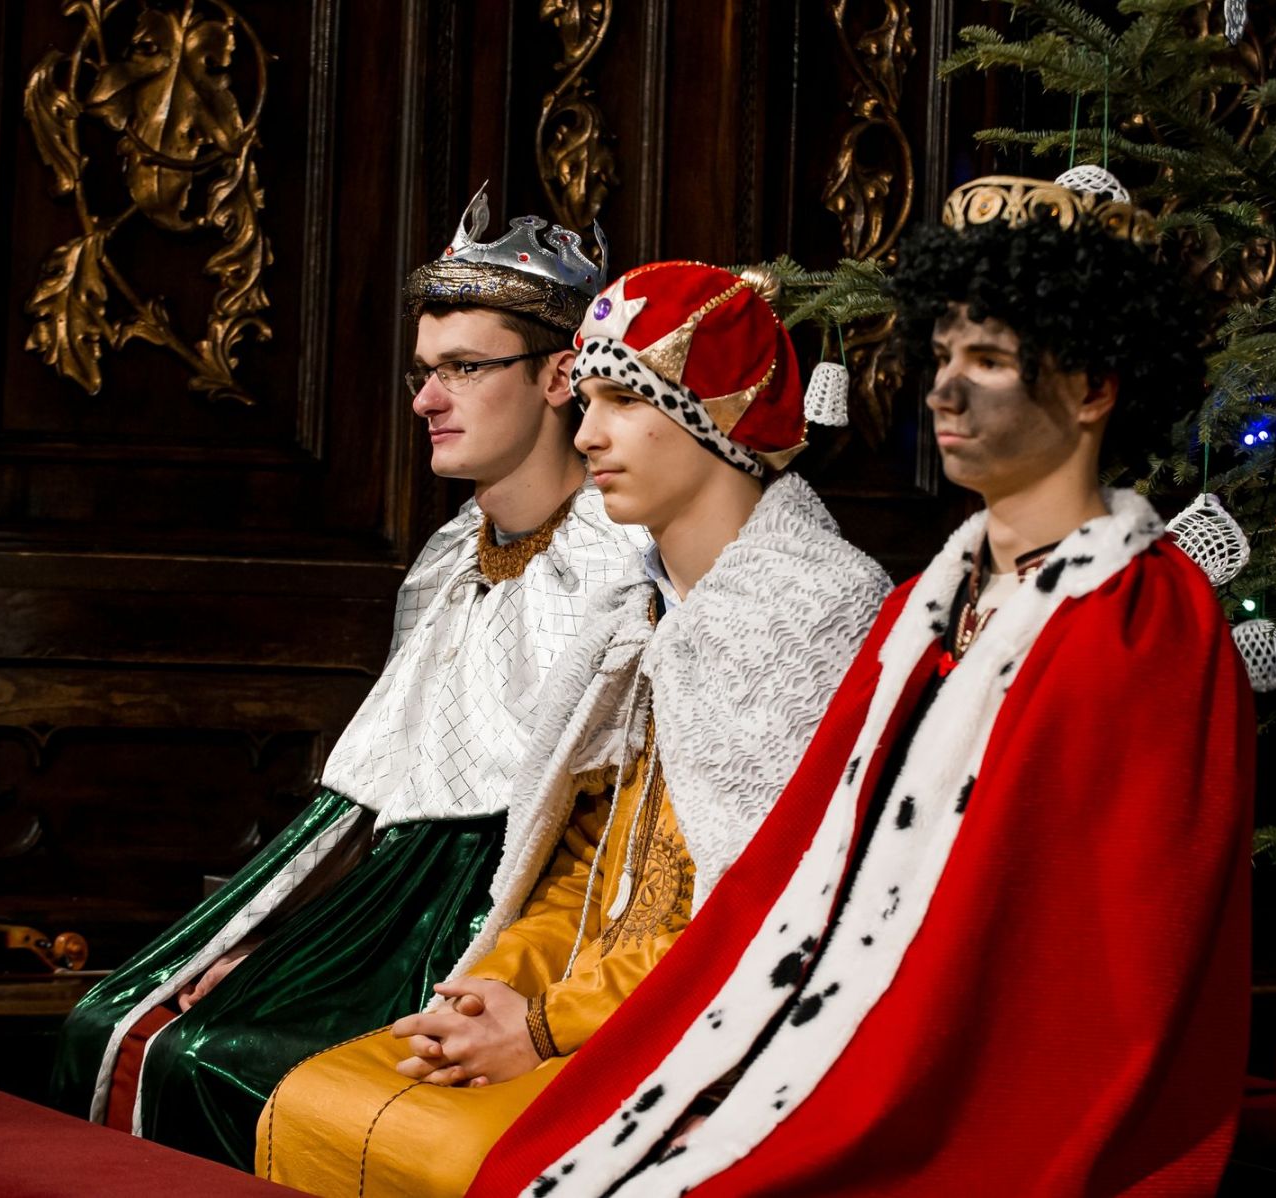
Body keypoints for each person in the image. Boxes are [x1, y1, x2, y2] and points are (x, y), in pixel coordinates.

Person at [468, 174, 1257, 1197]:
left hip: (1000, 1061)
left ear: (1092, 388)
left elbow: (1117, 942)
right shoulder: (925, 606)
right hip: (854, 1006)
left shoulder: (1147, 619)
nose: (946, 394)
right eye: (943, 357)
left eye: (989, 362)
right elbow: (797, 862)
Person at [253, 260, 893, 1195]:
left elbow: (772, 910)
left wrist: (547, 1025)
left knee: (452, 1152)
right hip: (584, 1000)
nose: (588, 434)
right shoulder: (632, 616)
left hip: (717, 1038)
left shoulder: (808, 611)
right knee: (318, 1101)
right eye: (587, 400)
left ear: (716, 412)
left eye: (624, 402)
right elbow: (586, 859)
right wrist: (504, 984)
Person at [49, 189, 651, 1168]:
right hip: (394, 897)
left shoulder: (626, 564)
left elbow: (613, 835)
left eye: (464, 368)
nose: (426, 401)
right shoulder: (450, 557)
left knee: (216, 1061)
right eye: (424, 371)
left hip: (512, 913)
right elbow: (389, 788)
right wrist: (282, 940)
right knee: (115, 1022)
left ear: (559, 376)